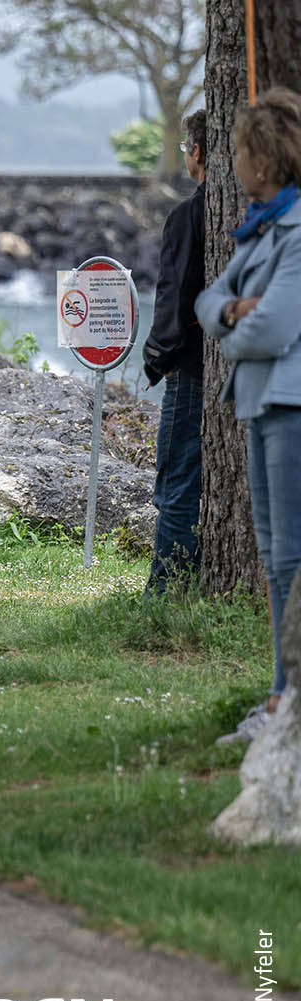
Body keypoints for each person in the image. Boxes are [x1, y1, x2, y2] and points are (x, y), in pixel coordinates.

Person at [196, 87, 301, 744]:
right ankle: (281, 694)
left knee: (289, 557)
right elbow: (210, 300)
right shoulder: (263, 226)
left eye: (236, 151)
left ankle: (287, 703)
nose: (231, 162)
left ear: (262, 161)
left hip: (290, 403)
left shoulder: (295, 231)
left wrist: (233, 330)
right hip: (262, 400)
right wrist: (237, 312)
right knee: (272, 555)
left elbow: (275, 327)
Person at [142, 107, 208, 594]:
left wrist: (157, 357)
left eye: (186, 147)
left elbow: (174, 293)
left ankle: (167, 591)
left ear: (198, 153)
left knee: (177, 482)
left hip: (190, 366)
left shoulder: (189, 214)